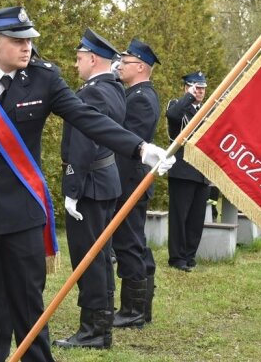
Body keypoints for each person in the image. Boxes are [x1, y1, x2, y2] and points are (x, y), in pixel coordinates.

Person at [0, 8, 174, 361]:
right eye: (19, 41)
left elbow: (87, 118)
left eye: (30, 40)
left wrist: (140, 148)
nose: (27, 48)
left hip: (21, 213)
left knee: (29, 307)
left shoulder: (44, 79)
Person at [54, 28, 127, 350]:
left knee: (89, 258)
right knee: (101, 255)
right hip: (105, 180)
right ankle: (100, 323)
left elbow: (83, 145)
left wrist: (72, 187)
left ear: (94, 59)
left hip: (91, 185)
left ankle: (94, 330)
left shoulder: (92, 94)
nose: (75, 64)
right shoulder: (114, 89)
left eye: (80, 58)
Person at [112, 39, 162, 329]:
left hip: (129, 182)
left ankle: (133, 310)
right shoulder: (136, 94)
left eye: (126, 61)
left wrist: (114, 185)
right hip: (131, 182)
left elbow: (129, 149)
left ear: (141, 66)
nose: (120, 65)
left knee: (128, 244)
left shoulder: (141, 97)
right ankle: (140, 307)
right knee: (134, 242)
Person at [166, 71, 210, 272]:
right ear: (186, 87)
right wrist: (189, 97)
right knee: (179, 216)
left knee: (196, 217)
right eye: (196, 87)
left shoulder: (207, 110)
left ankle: (189, 255)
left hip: (201, 170)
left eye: (202, 88)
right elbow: (173, 116)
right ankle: (177, 257)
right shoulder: (178, 106)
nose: (200, 92)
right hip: (182, 170)